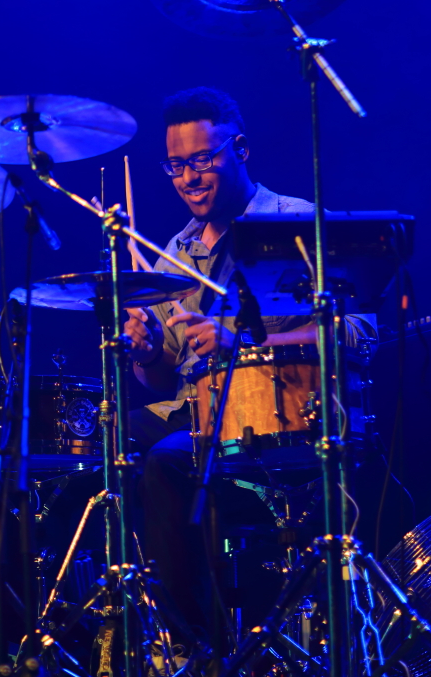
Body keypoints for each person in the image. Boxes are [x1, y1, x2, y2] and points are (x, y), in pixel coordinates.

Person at [123, 86, 368, 643]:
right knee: (93, 448)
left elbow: (358, 330)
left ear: (240, 149)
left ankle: (194, 644)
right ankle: (118, 627)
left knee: (167, 462)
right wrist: (146, 350)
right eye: (176, 165)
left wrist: (242, 342)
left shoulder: (298, 225)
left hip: (278, 423)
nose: (189, 177)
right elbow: (160, 376)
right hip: (193, 414)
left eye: (202, 159)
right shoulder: (175, 253)